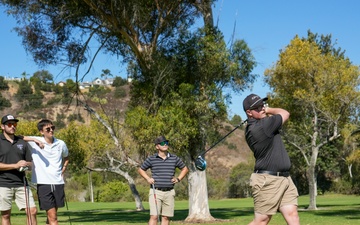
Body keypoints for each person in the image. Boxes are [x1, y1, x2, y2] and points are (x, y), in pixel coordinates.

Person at [243, 94, 300, 225]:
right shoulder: (263, 126)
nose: (262, 108)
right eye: (257, 108)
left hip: (285, 179)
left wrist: (261, 112)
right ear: (249, 112)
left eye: (262, 105)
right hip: (268, 181)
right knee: (261, 221)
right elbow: (285, 113)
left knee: (292, 215)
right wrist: (269, 110)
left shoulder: (254, 127)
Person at [26, 119, 69, 225]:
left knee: (51, 217)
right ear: (41, 132)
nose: (51, 130)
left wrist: (64, 167)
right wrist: (36, 141)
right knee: (53, 217)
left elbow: (66, 156)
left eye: (52, 128)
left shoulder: (60, 143)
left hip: (58, 183)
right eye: (48, 129)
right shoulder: (35, 142)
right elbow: (19, 137)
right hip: (44, 183)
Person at [138, 135, 189, 225]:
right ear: (157, 146)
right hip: (156, 191)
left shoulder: (174, 158)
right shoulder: (152, 159)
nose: (165, 144)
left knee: (166, 217)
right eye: (162, 143)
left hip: (169, 192)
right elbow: (141, 169)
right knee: (154, 216)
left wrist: (178, 179)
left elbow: (185, 169)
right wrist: (148, 178)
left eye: (166, 142)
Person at [0, 114, 38, 225]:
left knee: (32, 211)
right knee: (6, 215)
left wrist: (27, 164)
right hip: (3, 184)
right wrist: (15, 166)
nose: (13, 126)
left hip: (22, 183)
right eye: (9, 124)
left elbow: (30, 164)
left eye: (14, 124)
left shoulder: (22, 142)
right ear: (3, 126)